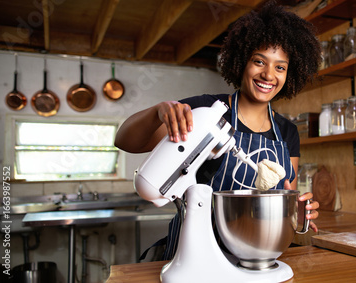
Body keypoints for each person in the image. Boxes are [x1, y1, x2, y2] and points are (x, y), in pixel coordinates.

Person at [115, 1, 321, 261]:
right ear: (241, 61)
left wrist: (298, 212)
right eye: (259, 61)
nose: (269, 75)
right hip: (195, 251)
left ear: (289, 74)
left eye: (280, 67)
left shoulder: (287, 132)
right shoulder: (204, 112)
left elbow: (284, 193)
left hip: (257, 252)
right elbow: (125, 141)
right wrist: (157, 112)